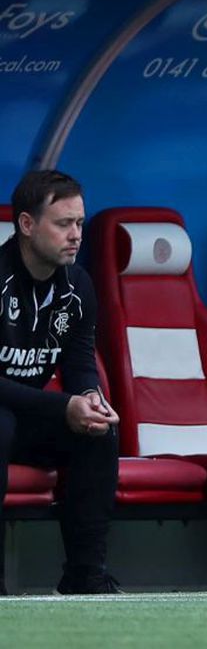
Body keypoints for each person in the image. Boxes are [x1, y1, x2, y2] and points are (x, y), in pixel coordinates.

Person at [0, 170, 121, 595]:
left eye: (80, 223)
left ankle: (86, 575)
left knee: (100, 432)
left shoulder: (78, 285)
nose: (76, 235)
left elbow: (80, 362)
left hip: (30, 415)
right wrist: (62, 406)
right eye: (63, 223)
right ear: (27, 224)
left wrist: (89, 397)